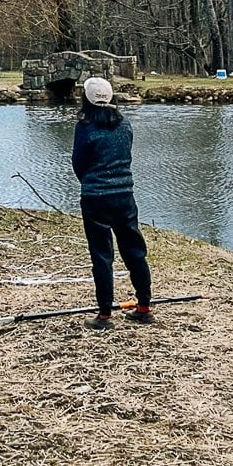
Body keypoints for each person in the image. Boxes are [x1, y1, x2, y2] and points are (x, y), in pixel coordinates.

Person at [72, 75, 153, 328]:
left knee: (102, 255)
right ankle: (144, 307)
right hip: (124, 196)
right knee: (135, 252)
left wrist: (90, 182)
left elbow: (78, 164)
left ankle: (105, 315)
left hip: (95, 198)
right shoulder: (124, 124)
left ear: (86, 99)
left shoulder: (84, 127)